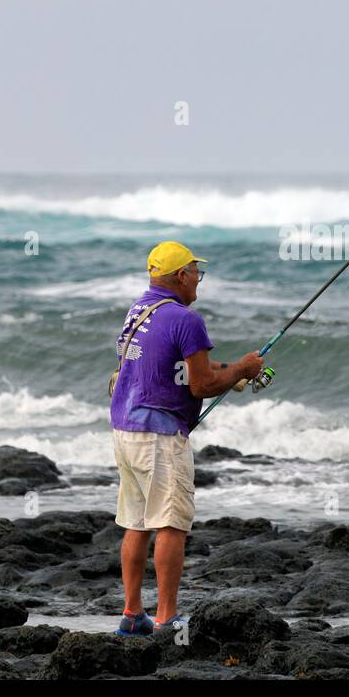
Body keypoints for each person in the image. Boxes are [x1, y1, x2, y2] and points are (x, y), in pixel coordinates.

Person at [109, 240, 263, 636]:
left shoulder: (140, 309)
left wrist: (235, 371)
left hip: (125, 428)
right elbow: (201, 384)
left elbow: (181, 366)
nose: (199, 280)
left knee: (137, 523)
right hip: (160, 437)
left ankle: (131, 615)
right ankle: (165, 619)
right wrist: (242, 368)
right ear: (181, 275)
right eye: (197, 273)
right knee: (171, 525)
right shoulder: (187, 318)